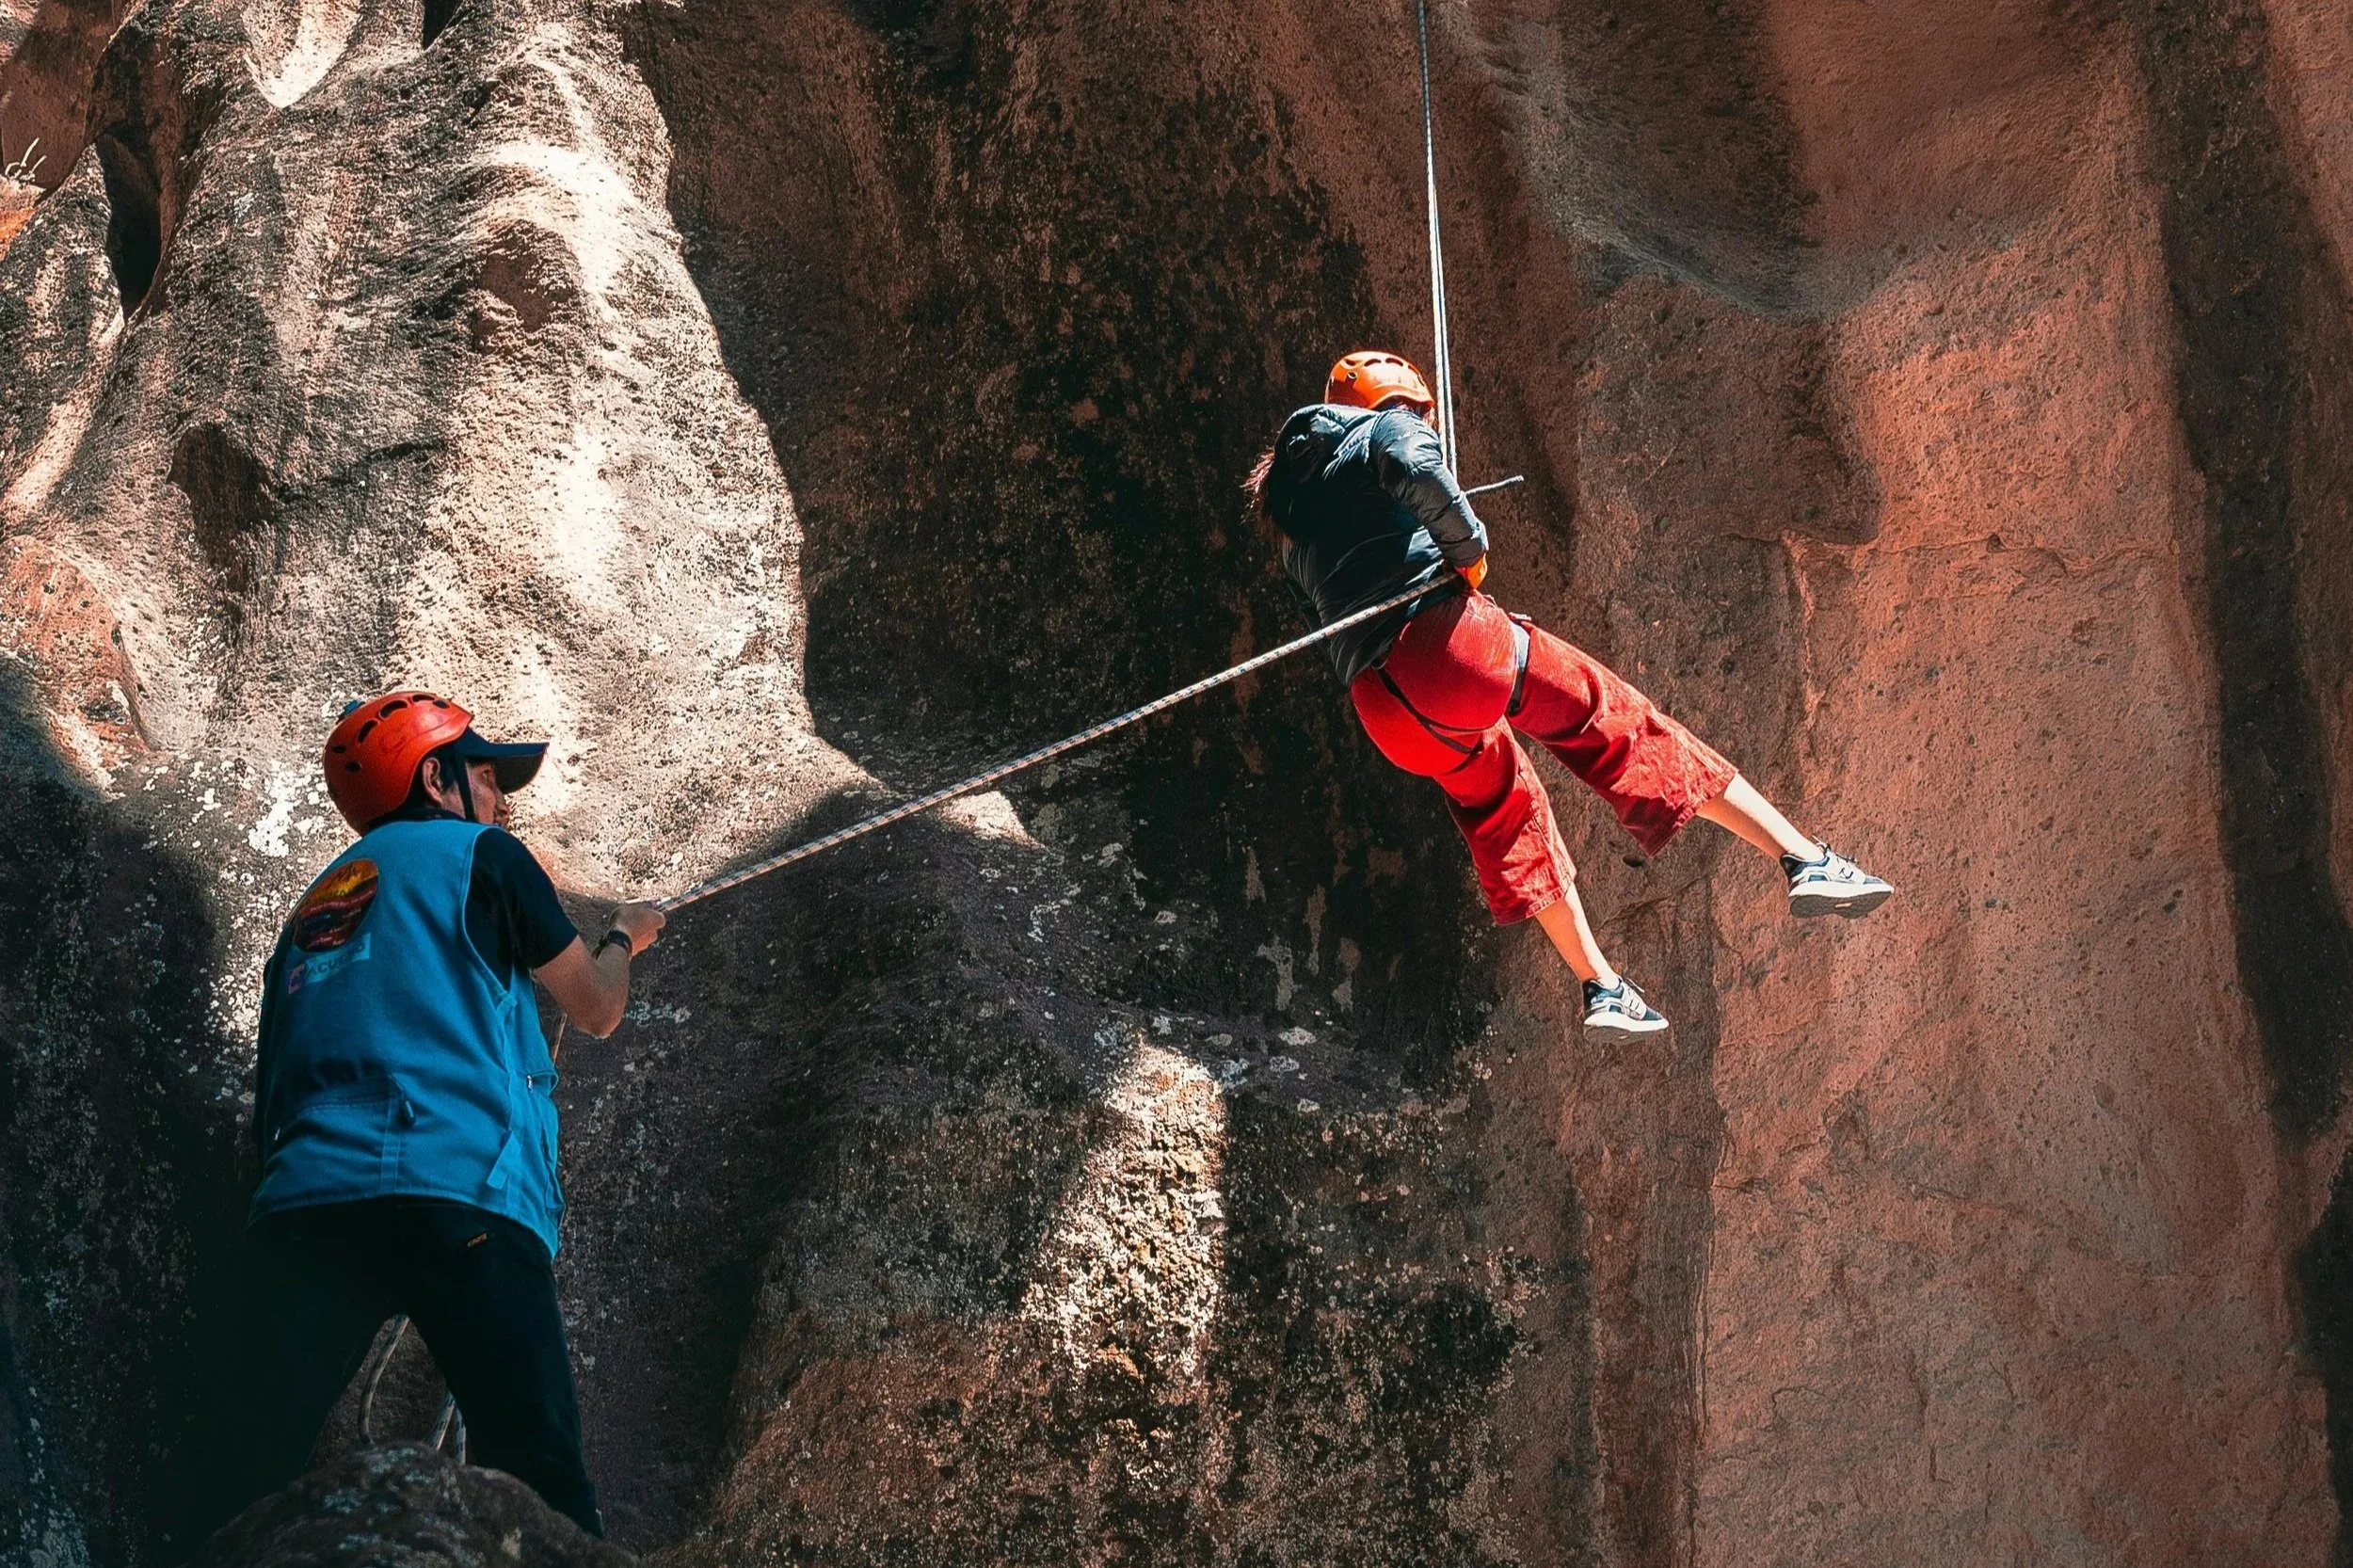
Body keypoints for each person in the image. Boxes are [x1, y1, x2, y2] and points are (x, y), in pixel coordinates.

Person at [1250, 350, 1892, 1032]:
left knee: (1506, 814)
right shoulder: (1383, 429)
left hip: (1387, 713)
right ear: (1395, 397)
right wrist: (1467, 553)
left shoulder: (1294, 524)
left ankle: (1602, 986)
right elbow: (1419, 472)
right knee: (1618, 725)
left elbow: (1326, 617)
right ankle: (1805, 860)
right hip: (1449, 648)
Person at [237, 690, 664, 1534]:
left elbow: (277, 1075)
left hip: (307, 1206)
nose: (502, 799)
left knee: (248, 1470)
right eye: (486, 775)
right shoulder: (486, 856)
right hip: (459, 1191)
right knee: (542, 1487)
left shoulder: (314, 909)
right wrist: (625, 934)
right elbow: (595, 1008)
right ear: (436, 778)